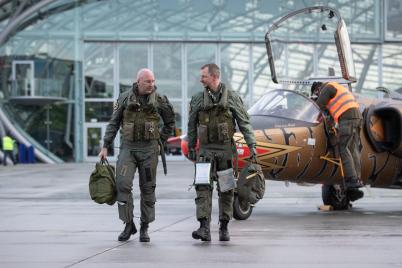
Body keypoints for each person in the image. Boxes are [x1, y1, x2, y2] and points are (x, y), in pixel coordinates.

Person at [99, 68, 175, 242]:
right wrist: (105, 146)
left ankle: (144, 227)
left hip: (149, 151)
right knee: (122, 185)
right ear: (138, 81)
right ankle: (128, 224)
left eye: (153, 81)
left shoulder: (160, 100)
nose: (151, 84)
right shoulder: (124, 98)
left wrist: (160, 140)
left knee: (148, 188)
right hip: (128, 149)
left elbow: (170, 122)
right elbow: (114, 123)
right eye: (148, 81)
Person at [187, 63, 257, 242]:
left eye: (204, 76)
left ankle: (224, 227)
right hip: (204, 151)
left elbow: (244, 124)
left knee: (226, 189)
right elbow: (191, 125)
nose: (201, 79)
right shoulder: (197, 99)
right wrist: (191, 146)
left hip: (225, 152)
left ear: (214, 77)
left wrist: (252, 147)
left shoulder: (232, 98)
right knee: (202, 188)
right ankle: (204, 228)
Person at [311, 81, 363, 188]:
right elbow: (329, 111)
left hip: (347, 118)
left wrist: (314, 117)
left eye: (317, 94)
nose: (318, 95)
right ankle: (357, 178)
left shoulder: (327, 88)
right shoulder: (337, 87)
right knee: (353, 148)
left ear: (317, 89)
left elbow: (318, 106)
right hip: (357, 118)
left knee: (343, 148)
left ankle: (351, 179)